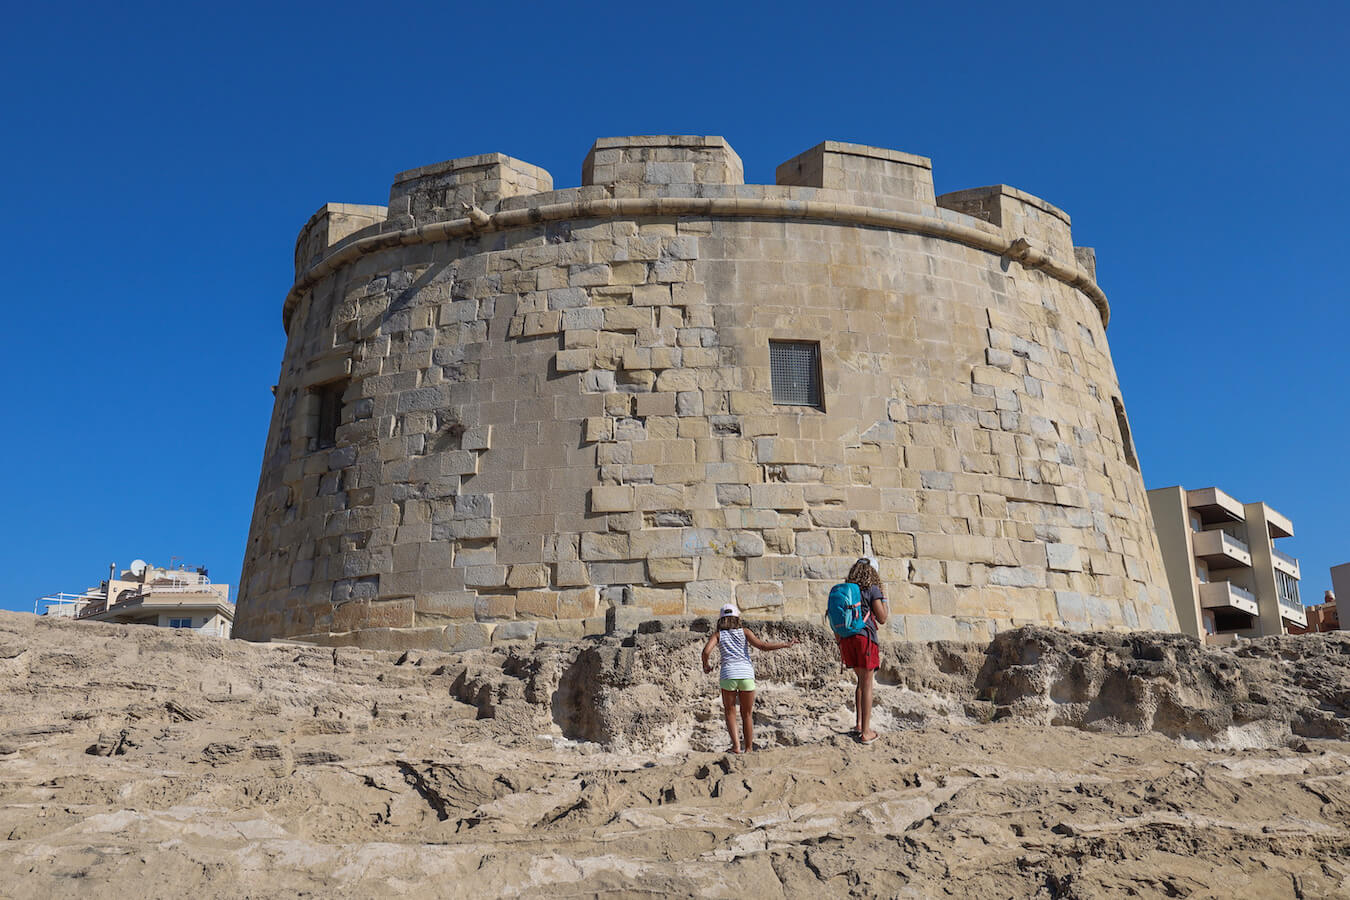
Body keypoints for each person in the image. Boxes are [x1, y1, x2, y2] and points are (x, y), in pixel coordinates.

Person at [701, 602, 798, 753]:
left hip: (728, 675)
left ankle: (736, 747)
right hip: (746, 674)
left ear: (721, 620)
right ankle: (748, 748)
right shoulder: (744, 632)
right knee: (747, 714)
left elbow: (706, 651)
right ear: (737, 618)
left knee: (729, 712)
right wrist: (785, 644)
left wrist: (706, 665)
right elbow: (763, 646)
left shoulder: (718, 635)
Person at [838, 556, 888, 744]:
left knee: (861, 682)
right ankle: (866, 732)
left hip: (847, 638)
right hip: (865, 638)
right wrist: (883, 597)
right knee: (868, 684)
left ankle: (859, 724)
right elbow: (882, 618)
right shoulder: (872, 589)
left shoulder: (848, 591)